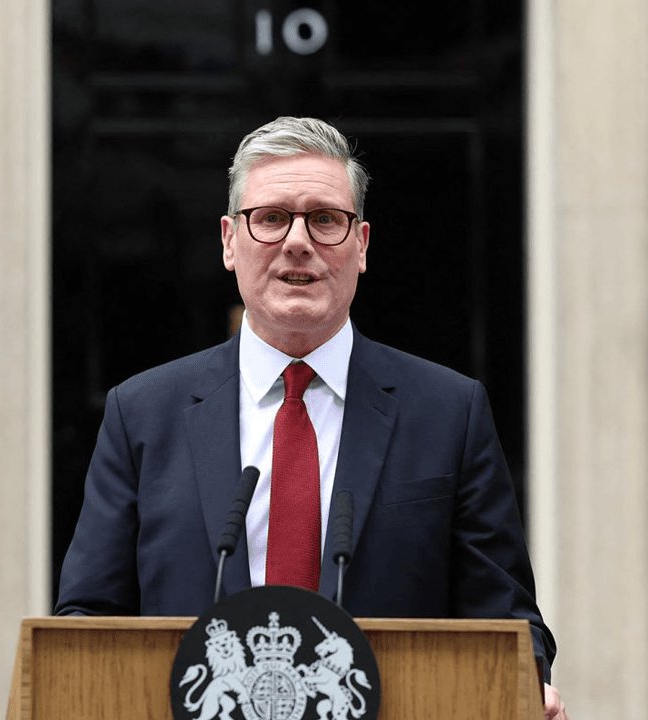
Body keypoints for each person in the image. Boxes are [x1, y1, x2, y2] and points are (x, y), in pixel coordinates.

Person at [56, 116, 568, 719]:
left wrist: (525, 683)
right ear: (229, 241)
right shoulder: (142, 414)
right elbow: (87, 622)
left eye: (325, 219)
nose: (298, 242)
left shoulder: (449, 413)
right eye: (272, 218)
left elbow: (507, 620)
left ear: (362, 245)